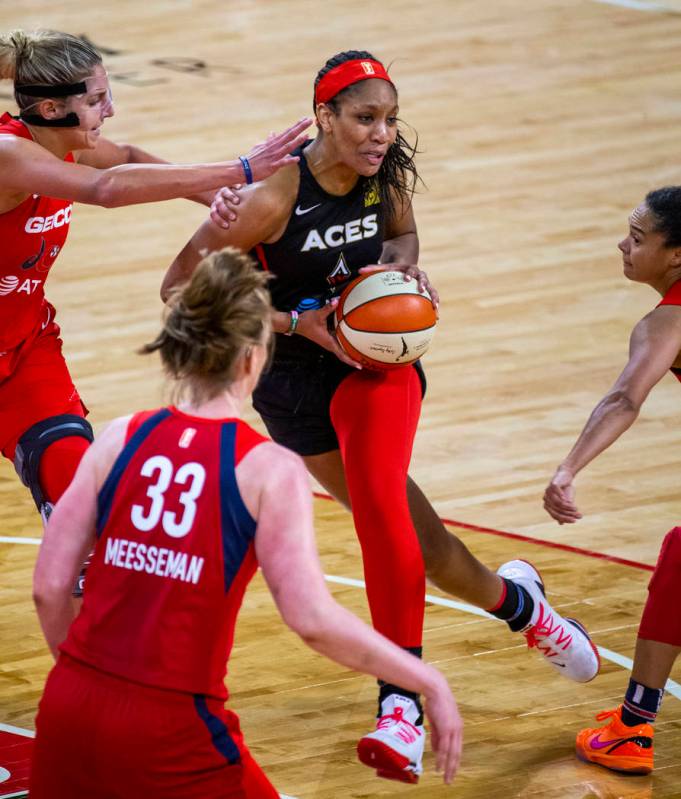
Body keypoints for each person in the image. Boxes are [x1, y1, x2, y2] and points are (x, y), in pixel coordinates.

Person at [162, 50, 600, 782]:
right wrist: (300, 323)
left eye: (390, 119)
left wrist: (402, 270)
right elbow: (179, 291)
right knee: (419, 542)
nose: (381, 133)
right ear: (323, 117)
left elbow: (402, 237)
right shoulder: (273, 198)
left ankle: (400, 706)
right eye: (365, 118)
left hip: (375, 367)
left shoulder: (383, 175)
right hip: (290, 377)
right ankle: (524, 607)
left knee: (377, 515)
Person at [30, 246, 462, 797]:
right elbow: (311, 620)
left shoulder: (118, 437)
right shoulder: (267, 469)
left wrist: (85, 684)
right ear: (255, 355)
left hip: (70, 704)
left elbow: (49, 589)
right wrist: (424, 679)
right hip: (173, 723)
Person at [0, 28, 309, 580]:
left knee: (84, 524)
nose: (110, 110)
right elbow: (108, 189)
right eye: (95, 100)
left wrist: (218, 198)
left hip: (21, 350)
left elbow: (131, 160)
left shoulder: (66, 145)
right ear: (50, 107)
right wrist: (241, 169)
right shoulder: (7, 157)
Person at [543, 186, 681, 775]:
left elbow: (626, 397)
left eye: (639, 237)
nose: (623, 245)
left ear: (675, 255)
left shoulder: (667, 322)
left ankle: (632, 728)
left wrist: (568, 468)